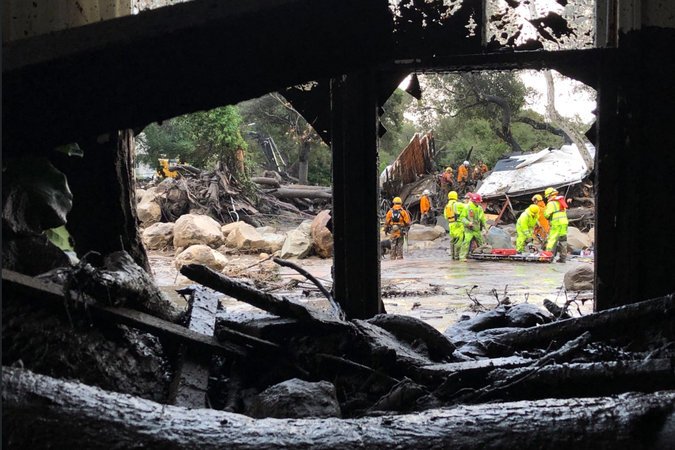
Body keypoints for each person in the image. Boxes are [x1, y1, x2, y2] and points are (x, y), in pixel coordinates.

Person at [458, 192, 487, 261]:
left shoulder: (479, 208)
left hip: (477, 229)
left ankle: (483, 255)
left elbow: (482, 218)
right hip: (469, 229)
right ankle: (462, 257)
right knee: (466, 242)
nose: (479, 203)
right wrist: (468, 223)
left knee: (481, 241)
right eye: (478, 202)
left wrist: (485, 227)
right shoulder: (467, 207)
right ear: (474, 201)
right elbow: (462, 218)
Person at [544, 187, 569, 262]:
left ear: (549, 195)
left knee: (552, 239)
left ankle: (548, 256)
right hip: (564, 223)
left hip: (556, 223)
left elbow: (547, 215)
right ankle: (563, 258)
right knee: (563, 240)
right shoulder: (561, 201)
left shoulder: (551, 203)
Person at [443, 191, 465, 260]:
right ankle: (457, 256)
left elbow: (445, 216)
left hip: (450, 224)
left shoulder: (447, 206)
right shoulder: (458, 204)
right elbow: (467, 208)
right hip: (458, 224)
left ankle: (452, 256)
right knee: (459, 239)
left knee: (453, 240)